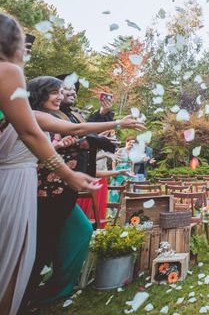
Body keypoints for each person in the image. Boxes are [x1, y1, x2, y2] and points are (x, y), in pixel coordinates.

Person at [0, 14, 99, 315]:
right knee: (13, 257)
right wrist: (68, 173)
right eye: (23, 43)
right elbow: (31, 133)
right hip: (15, 182)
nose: (26, 51)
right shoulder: (8, 72)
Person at [23, 76, 143, 308]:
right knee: (40, 246)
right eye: (56, 92)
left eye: (63, 92)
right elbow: (76, 130)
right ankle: (29, 295)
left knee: (76, 233)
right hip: (45, 191)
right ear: (39, 94)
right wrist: (118, 123)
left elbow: (82, 132)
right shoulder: (35, 115)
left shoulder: (63, 115)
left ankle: (55, 288)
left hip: (64, 189)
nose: (61, 96)